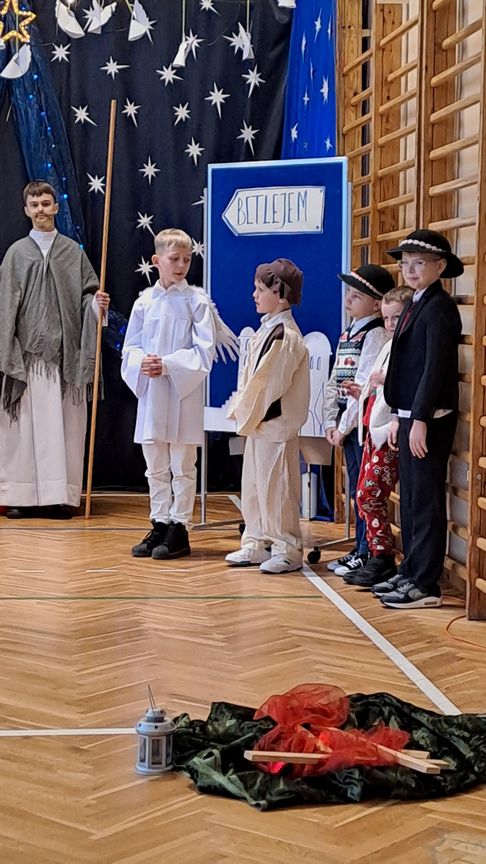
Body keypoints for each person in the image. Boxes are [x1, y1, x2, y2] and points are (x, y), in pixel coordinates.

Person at [0, 180, 109, 519]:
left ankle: (59, 497)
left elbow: (87, 296)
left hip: (65, 358)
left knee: (64, 427)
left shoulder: (72, 253)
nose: (41, 210)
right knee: (24, 428)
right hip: (27, 357)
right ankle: (22, 497)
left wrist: (96, 305)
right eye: (35, 205)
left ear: (56, 207)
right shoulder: (16, 254)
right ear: (26, 210)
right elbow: (5, 305)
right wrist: (7, 351)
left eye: (46, 203)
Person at [379, 229, 463, 609]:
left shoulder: (440, 307)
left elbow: (434, 367)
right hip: (410, 414)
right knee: (411, 498)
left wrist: (421, 418)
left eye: (419, 263)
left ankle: (426, 583)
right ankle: (411, 569)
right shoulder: (415, 302)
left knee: (426, 499)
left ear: (439, 267)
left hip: (428, 417)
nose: (410, 270)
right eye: (405, 263)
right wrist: (400, 414)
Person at [122, 228, 218, 560]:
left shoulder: (196, 301)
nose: (181, 266)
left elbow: (204, 351)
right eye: (174, 259)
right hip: (152, 393)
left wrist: (168, 365)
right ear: (156, 260)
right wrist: (141, 362)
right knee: (155, 465)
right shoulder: (144, 302)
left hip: (182, 393)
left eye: (187, 259)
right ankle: (160, 522)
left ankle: (180, 527)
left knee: (183, 463)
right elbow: (130, 346)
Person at [224, 258, 310, 574]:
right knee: (254, 486)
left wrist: (245, 412)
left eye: (260, 289)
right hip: (260, 424)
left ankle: (287, 547)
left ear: (280, 294)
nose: (254, 295)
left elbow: (268, 385)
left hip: (275, 424)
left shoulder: (285, 336)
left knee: (277, 488)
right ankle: (256, 541)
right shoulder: (268, 329)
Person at [339, 286, 414, 589]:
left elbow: (404, 387)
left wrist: (385, 381)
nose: (391, 324)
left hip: (388, 432)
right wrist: (364, 392)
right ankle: (375, 553)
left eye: (397, 317)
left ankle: (381, 555)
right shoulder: (389, 345)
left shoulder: (409, 347)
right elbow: (380, 389)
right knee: (363, 494)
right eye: (387, 318)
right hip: (373, 428)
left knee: (370, 494)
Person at [324, 265, 393, 576]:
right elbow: (335, 381)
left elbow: (363, 387)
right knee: (355, 488)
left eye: (357, 295)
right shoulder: (348, 332)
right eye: (348, 293)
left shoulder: (375, 334)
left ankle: (368, 550)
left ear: (376, 304)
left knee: (363, 490)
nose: (348, 300)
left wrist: (343, 427)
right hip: (346, 422)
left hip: (360, 425)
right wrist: (331, 420)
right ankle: (360, 546)